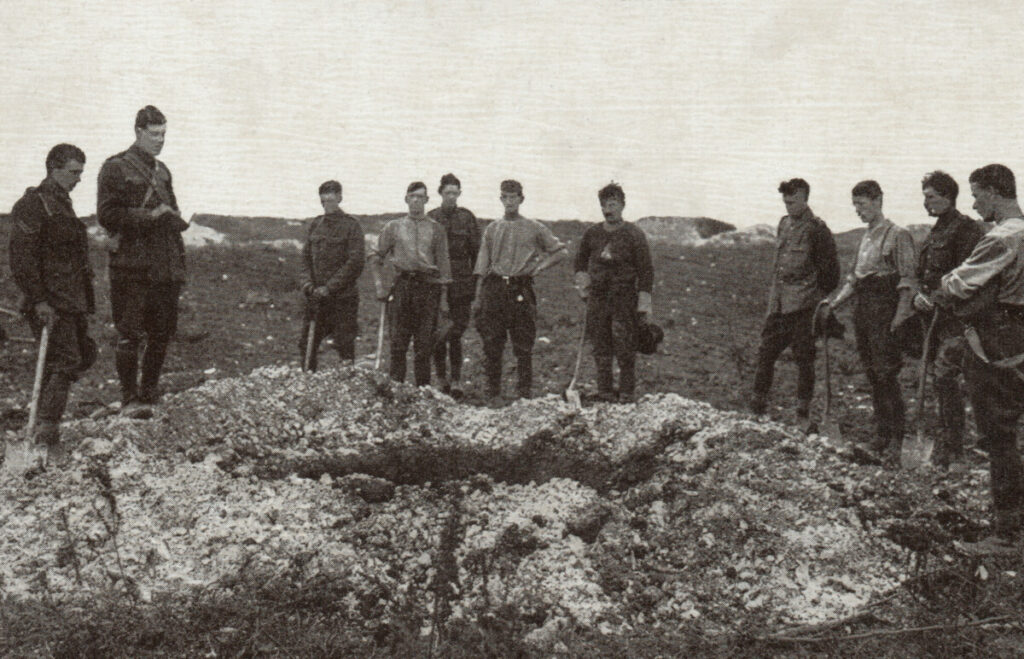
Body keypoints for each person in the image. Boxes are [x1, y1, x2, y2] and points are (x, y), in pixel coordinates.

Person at [927, 164, 1024, 553]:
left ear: (994, 192)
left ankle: (1007, 533)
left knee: (998, 433)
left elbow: (959, 283)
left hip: (998, 336)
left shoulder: (1003, 237)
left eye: (976, 194)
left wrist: (939, 290)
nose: (973, 202)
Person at [97, 105, 189, 417]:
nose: (160, 140)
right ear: (138, 132)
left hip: (164, 266)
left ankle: (149, 392)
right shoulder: (116, 168)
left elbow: (172, 208)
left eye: (164, 134)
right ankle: (129, 398)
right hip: (132, 266)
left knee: (161, 332)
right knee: (129, 333)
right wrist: (150, 216)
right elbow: (107, 214)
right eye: (154, 134)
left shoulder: (162, 172)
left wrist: (172, 218)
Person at [9, 143, 96, 452]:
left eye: (81, 172)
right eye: (74, 172)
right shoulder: (34, 205)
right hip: (50, 302)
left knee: (77, 356)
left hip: (69, 300)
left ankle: (39, 431)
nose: (79, 179)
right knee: (66, 361)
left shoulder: (61, 204)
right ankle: (46, 433)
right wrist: (38, 300)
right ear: (54, 169)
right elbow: (22, 260)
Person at [826, 180, 918, 458]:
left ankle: (896, 439)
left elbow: (908, 279)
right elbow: (854, 279)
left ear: (878, 201)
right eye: (854, 205)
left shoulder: (898, 234)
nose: (857, 210)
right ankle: (880, 435)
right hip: (864, 311)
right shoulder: (865, 238)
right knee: (872, 372)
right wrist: (833, 304)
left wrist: (900, 318)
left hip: (886, 309)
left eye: (862, 204)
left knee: (886, 373)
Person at [750, 178, 840, 427]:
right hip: (778, 306)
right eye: (785, 202)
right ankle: (757, 410)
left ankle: (803, 415)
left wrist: (815, 301)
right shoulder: (784, 224)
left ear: (805, 198)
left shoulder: (817, 229)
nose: (788, 206)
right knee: (765, 354)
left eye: (793, 201)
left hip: (803, 308)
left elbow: (831, 274)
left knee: (804, 361)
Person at [911, 171, 985, 467]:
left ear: (947, 197)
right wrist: (919, 295)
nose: (926, 202)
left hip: (957, 320)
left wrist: (937, 300)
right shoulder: (937, 230)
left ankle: (955, 449)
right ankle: (947, 444)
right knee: (939, 381)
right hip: (933, 321)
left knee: (946, 378)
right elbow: (925, 274)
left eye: (931, 197)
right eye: (925, 196)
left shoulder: (966, 229)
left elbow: (968, 277)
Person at [473, 179, 566, 404]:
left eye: (513, 197)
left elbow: (560, 251)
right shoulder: (493, 229)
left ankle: (524, 396)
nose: (509, 201)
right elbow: (482, 268)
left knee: (523, 345)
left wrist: (538, 268)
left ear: (521, 199)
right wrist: (478, 298)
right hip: (494, 289)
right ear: (501, 199)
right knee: (492, 344)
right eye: (505, 197)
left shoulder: (534, 227)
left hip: (520, 289)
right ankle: (493, 394)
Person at [573, 182, 654, 403]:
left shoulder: (634, 234)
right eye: (604, 205)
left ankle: (627, 393)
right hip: (597, 299)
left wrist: (644, 303)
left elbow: (646, 270)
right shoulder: (593, 233)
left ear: (622, 205)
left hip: (624, 298)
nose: (608, 209)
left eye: (613, 203)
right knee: (601, 346)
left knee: (625, 346)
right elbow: (579, 262)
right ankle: (605, 392)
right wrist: (583, 284)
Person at [371, 181, 452, 386]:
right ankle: (396, 392)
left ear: (426, 200)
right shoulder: (394, 227)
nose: (416, 200)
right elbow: (375, 257)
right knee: (398, 343)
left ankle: (422, 393)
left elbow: (443, 267)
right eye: (412, 196)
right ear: (406, 199)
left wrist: (443, 302)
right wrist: (380, 286)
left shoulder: (436, 229)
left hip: (428, 289)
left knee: (424, 346)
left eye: (420, 197)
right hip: (402, 288)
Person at [299, 180, 365, 371]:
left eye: (332, 199)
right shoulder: (316, 225)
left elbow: (355, 263)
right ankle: (308, 385)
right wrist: (307, 285)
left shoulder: (352, 226)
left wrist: (329, 288)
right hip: (317, 300)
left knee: (345, 346)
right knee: (306, 345)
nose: (328, 204)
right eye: (324, 200)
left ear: (340, 198)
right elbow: (305, 258)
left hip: (343, 300)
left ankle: (347, 390)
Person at [428, 173, 481, 397]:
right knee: (438, 333)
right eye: (447, 192)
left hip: (461, 283)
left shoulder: (467, 218)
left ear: (459, 194)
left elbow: (477, 252)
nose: (451, 196)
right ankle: (441, 379)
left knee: (456, 333)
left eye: (455, 192)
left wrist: (476, 283)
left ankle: (457, 379)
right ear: (440, 193)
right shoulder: (431, 218)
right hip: (436, 282)